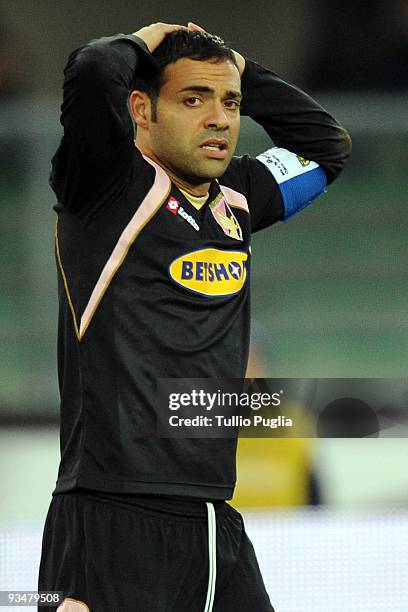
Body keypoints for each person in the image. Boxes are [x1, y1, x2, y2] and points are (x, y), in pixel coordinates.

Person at [38, 21, 351, 612]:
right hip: (111, 516)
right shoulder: (104, 184)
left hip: (214, 518)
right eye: (192, 99)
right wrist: (150, 37)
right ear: (141, 110)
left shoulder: (238, 194)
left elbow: (327, 146)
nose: (219, 118)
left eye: (229, 103)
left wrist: (237, 65)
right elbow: (91, 70)